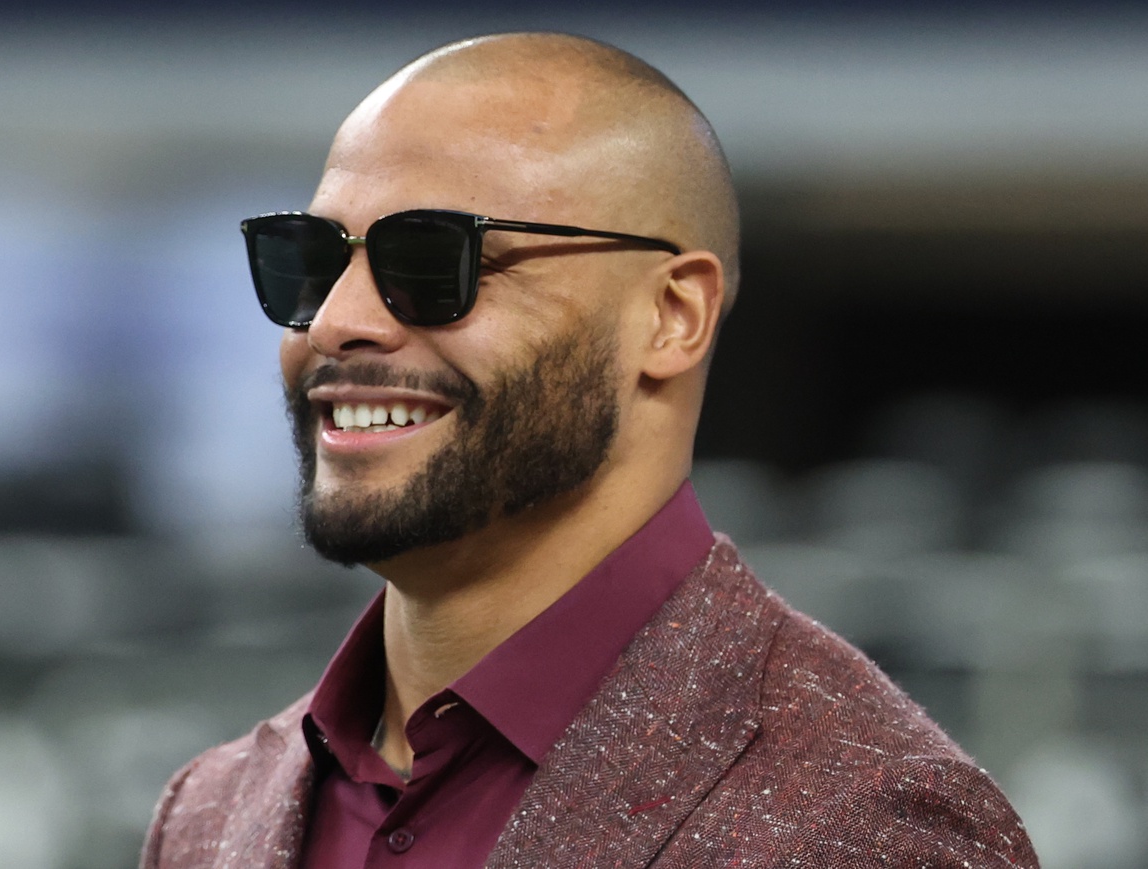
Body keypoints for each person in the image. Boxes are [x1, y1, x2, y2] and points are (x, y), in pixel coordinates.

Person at [141, 32, 1039, 868]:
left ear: (671, 316)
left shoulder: (869, 825)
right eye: (313, 260)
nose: (338, 321)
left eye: (434, 259)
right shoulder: (209, 813)